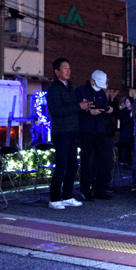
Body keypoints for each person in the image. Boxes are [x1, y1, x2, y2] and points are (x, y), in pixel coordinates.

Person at [46, 57, 91, 210]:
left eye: (69, 68)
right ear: (56, 71)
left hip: (72, 129)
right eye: (64, 68)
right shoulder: (53, 89)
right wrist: (78, 106)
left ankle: (67, 196)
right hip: (61, 131)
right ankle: (54, 198)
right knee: (61, 164)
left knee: (72, 164)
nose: (68, 70)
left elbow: (73, 107)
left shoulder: (70, 87)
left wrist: (83, 106)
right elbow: (57, 111)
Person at [75, 70, 114, 201]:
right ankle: (86, 190)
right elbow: (75, 110)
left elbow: (104, 107)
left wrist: (108, 110)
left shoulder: (101, 93)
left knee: (104, 159)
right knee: (87, 160)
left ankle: (100, 189)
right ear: (92, 80)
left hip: (100, 129)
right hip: (86, 129)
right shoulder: (80, 91)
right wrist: (88, 112)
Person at [118, 97, 134, 162]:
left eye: (128, 102)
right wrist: (129, 117)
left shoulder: (134, 110)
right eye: (126, 102)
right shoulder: (123, 111)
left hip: (132, 131)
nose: (126, 103)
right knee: (125, 146)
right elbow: (122, 121)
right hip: (125, 131)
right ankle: (123, 160)